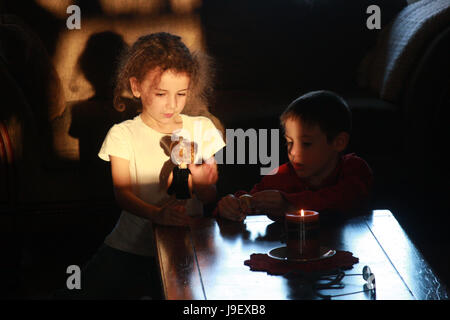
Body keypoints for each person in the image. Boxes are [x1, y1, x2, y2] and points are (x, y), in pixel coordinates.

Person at [54, 32, 225, 299]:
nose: (172, 104)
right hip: (129, 246)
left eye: (181, 93)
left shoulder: (202, 129)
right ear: (136, 87)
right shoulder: (123, 134)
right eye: (160, 93)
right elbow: (122, 193)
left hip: (184, 246)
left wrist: (203, 183)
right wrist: (156, 214)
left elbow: (208, 196)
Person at [216, 90, 373, 221]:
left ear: (339, 142)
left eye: (306, 144)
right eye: (289, 142)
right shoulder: (283, 175)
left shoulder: (354, 168)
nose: (293, 152)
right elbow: (251, 198)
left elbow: (343, 200)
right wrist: (230, 207)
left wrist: (289, 206)